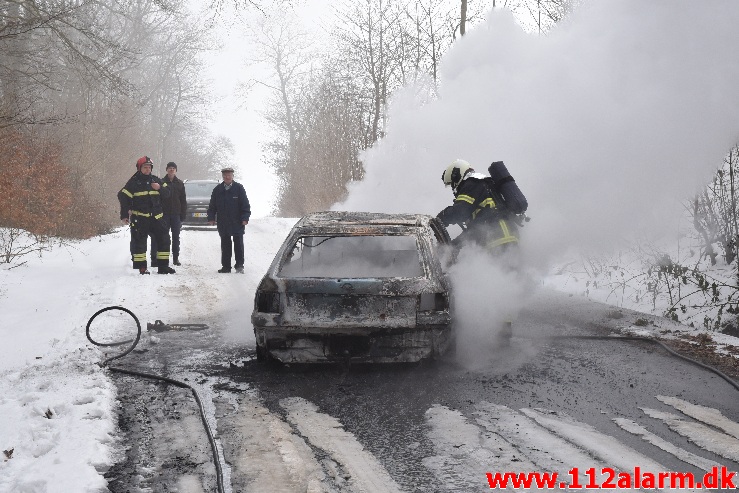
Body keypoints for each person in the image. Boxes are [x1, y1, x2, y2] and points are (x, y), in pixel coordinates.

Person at [436, 158, 521, 342]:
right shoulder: (487, 183)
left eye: (452, 183)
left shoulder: (471, 184)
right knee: (502, 280)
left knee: (494, 278)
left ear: (458, 175)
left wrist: (439, 218)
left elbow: (460, 211)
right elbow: (476, 226)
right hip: (509, 236)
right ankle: (503, 329)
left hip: (497, 238)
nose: (453, 188)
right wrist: (456, 244)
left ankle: (498, 331)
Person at [118, 156, 176, 275]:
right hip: (140, 219)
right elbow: (122, 196)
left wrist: (159, 188)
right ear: (140, 168)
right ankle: (142, 268)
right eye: (145, 167)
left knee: (164, 240)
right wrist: (125, 214)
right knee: (139, 243)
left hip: (157, 218)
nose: (147, 169)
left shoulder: (156, 180)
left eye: (149, 167)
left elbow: (168, 193)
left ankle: (163, 267)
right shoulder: (133, 182)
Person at [207, 167, 251, 273]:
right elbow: (212, 206)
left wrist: (245, 218)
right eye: (225, 175)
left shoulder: (239, 188)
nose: (227, 177)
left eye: (229, 175)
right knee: (225, 245)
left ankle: (239, 266)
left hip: (237, 221)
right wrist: (211, 218)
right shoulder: (217, 190)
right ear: (223, 177)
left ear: (232, 176)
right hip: (223, 222)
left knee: (238, 244)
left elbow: (245, 205)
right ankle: (226, 267)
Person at [151, 162, 187, 266]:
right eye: (170, 168)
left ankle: (175, 258)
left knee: (176, 237)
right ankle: (161, 259)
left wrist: (183, 214)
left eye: (173, 168)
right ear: (166, 170)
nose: (171, 170)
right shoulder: (161, 182)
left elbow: (183, 200)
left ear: (176, 170)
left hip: (176, 215)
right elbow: (157, 199)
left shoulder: (180, 183)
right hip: (164, 215)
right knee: (163, 237)